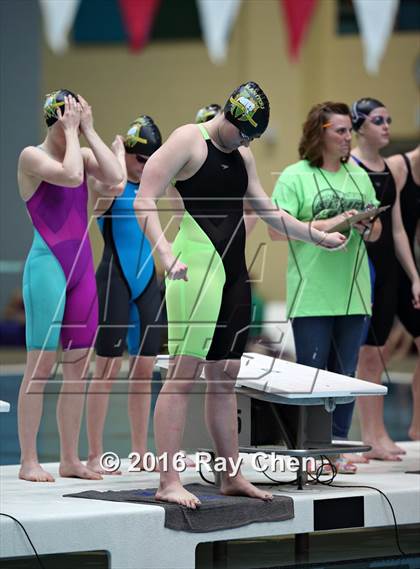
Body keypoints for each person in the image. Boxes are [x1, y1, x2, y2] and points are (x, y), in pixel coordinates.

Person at [134, 81, 345, 508]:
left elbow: (268, 211)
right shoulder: (187, 140)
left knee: (225, 377)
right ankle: (168, 481)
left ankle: (231, 476)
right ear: (230, 117)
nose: (246, 142)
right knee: (182, 376)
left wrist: (314, 236)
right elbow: (144, 199)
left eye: (252, 138)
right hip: (194, 270)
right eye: (244, 133)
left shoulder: (242, 155)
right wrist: (166, 252)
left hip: (232, 274)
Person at [17, 90, 124, 481]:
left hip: (81, 272)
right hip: (48, 268)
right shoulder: (32, 156)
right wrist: (74, 133)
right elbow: (72, 176)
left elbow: (115, 179)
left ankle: (69, 459)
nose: (75, 124)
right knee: (40, 368)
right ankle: (29, 461)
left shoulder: (81, 149)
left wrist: (91, 131)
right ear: (57, 120)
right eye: (71, 118)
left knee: (77, 369)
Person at [270, 101, 382, 473]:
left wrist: (367, 225)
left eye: (350, 130)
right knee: (313, 375)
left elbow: (377, 230)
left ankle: (335, 449)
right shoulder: (294, 176)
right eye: (341, 130)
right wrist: (336, 221)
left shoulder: (358, 174)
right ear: (321, 133)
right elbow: (275, 229)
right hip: (312, 293)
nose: (349, 136)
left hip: (353, 291)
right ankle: (312, 449)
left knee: (345, 376)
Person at [85, 116, 164, 474]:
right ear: (128, 155)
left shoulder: (151, 189)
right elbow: (110, 191)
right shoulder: (106, 184)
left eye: (152, 161)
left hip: (148, 283)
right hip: (114, 281)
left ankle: (138, 449)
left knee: (145, 370)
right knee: (105, 370)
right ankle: (95, 453)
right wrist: (115, 155)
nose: (146, 167)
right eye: (140, 160)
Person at [351, 98, 420, 460]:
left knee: (376, 355)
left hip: (392, 272)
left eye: (389, 119)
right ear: (360, 125)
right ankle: (370, 435)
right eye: (379, 119)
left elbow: (398, 233)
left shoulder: (386, 168)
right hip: (367, 271)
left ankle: (381, 434)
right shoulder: (359, 167)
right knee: (367, 356)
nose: (386, 125)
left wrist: (414, 276)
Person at [385, 145, 420, 441]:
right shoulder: (397, 167)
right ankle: (373, 432)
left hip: (409, 270)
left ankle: (417, 429)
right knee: (373, 355)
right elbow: (394, 229)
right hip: (384, 267)